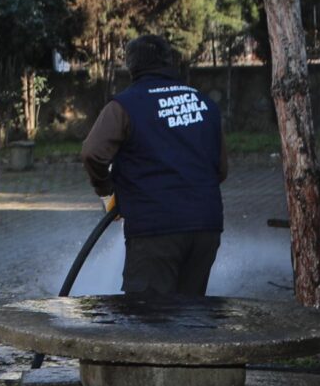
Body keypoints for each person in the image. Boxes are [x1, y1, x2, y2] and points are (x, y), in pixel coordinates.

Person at [80, 33, 229, 305]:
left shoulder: (124, 106)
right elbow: (220, 170)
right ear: (169, 62)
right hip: (206, 227)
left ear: (131, 66)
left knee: (148, 318)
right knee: (191, 315)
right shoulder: (205, 103)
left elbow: (92, 153)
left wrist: (106, 189)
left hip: (155, 231)